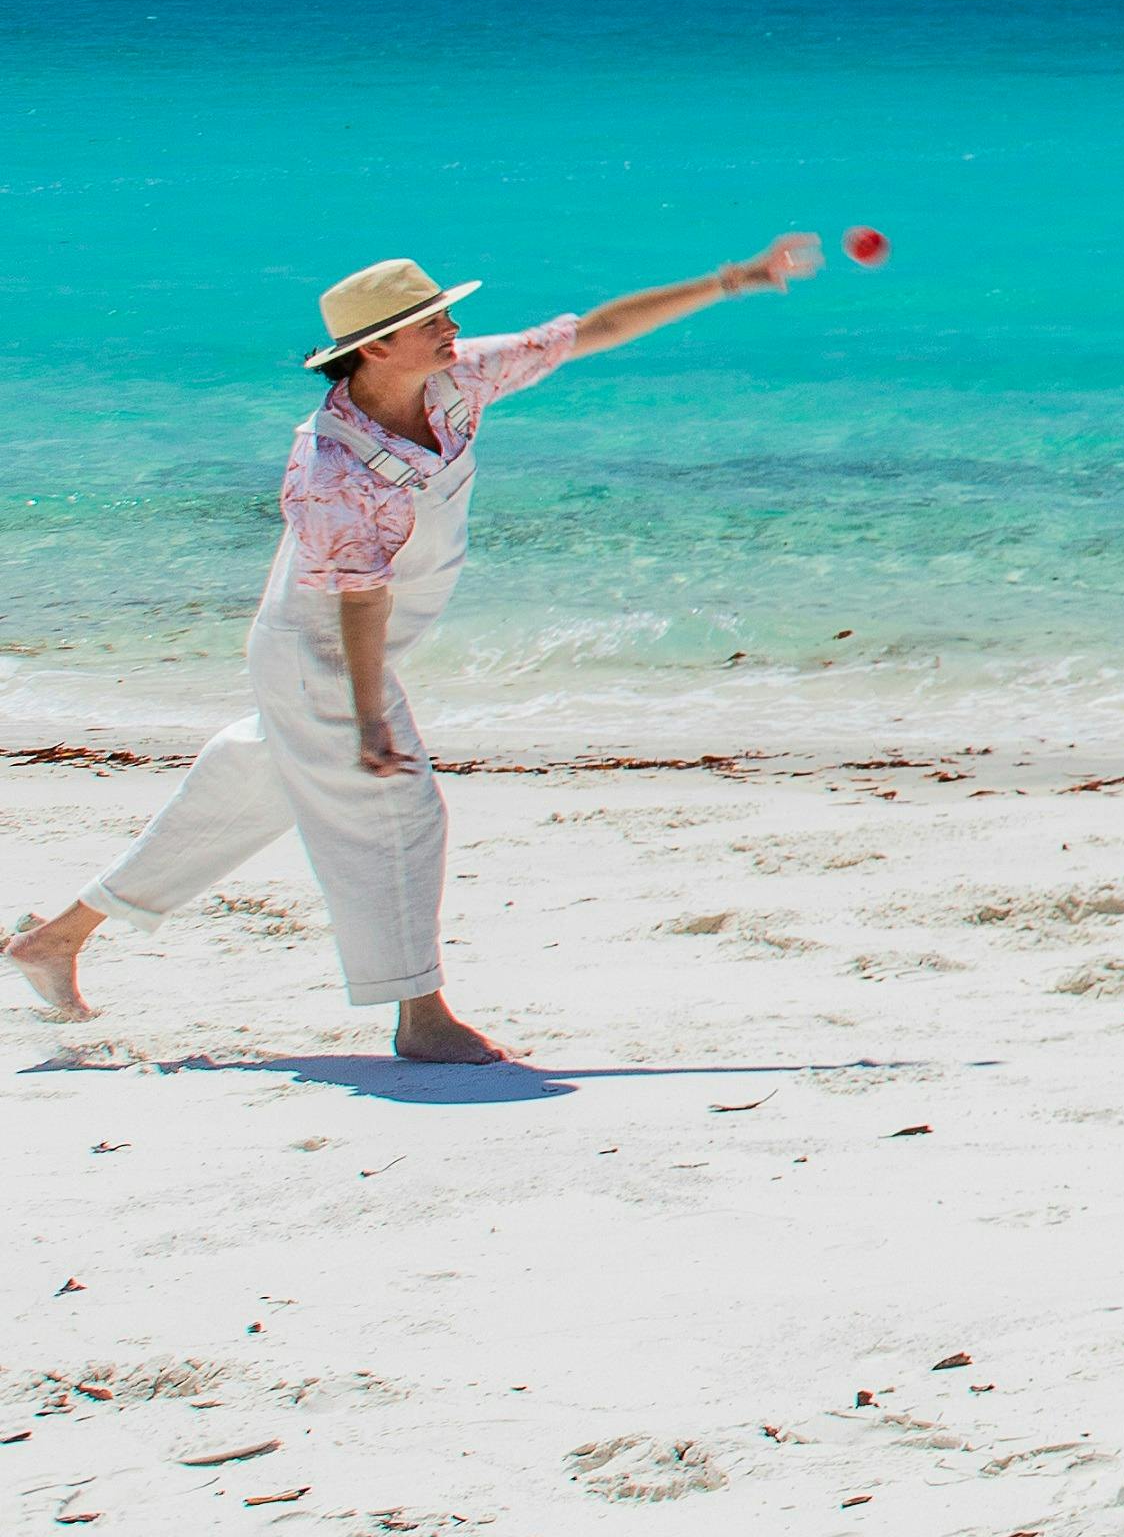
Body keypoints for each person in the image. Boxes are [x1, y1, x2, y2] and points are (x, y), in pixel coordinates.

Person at [11, 236, 821, 1060]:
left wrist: (736, 279)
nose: (453, 325)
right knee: (400, 815)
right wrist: (369, 717)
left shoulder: (457, 378)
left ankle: (55, 940)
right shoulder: (331, 465)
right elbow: (360, 600)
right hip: (322, 653)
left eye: (445, 312)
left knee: (237, 800)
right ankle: (420, 1016)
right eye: (431, 318)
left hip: (355, 645)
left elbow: (592, 330)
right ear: (374, 346)